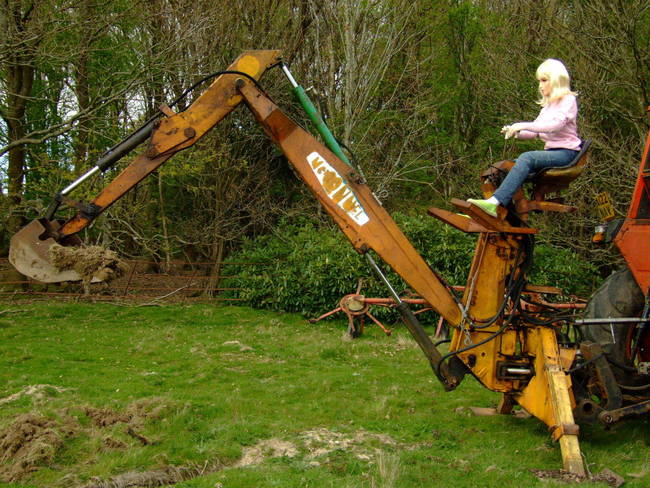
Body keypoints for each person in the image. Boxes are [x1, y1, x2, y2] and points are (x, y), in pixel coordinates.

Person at [467, 58, 581, 217]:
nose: (540, 86)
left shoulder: (568, 100)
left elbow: (555, 125)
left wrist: (523, 124)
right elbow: (534, 132)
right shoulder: (548, 107)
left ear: (556, 80)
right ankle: (499, 210)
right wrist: (516, 132)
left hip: (566, 154)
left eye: (544, 80)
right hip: (552, 154)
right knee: (506, 167)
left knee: (527, 157)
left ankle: (495, 202)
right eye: (539, 81)